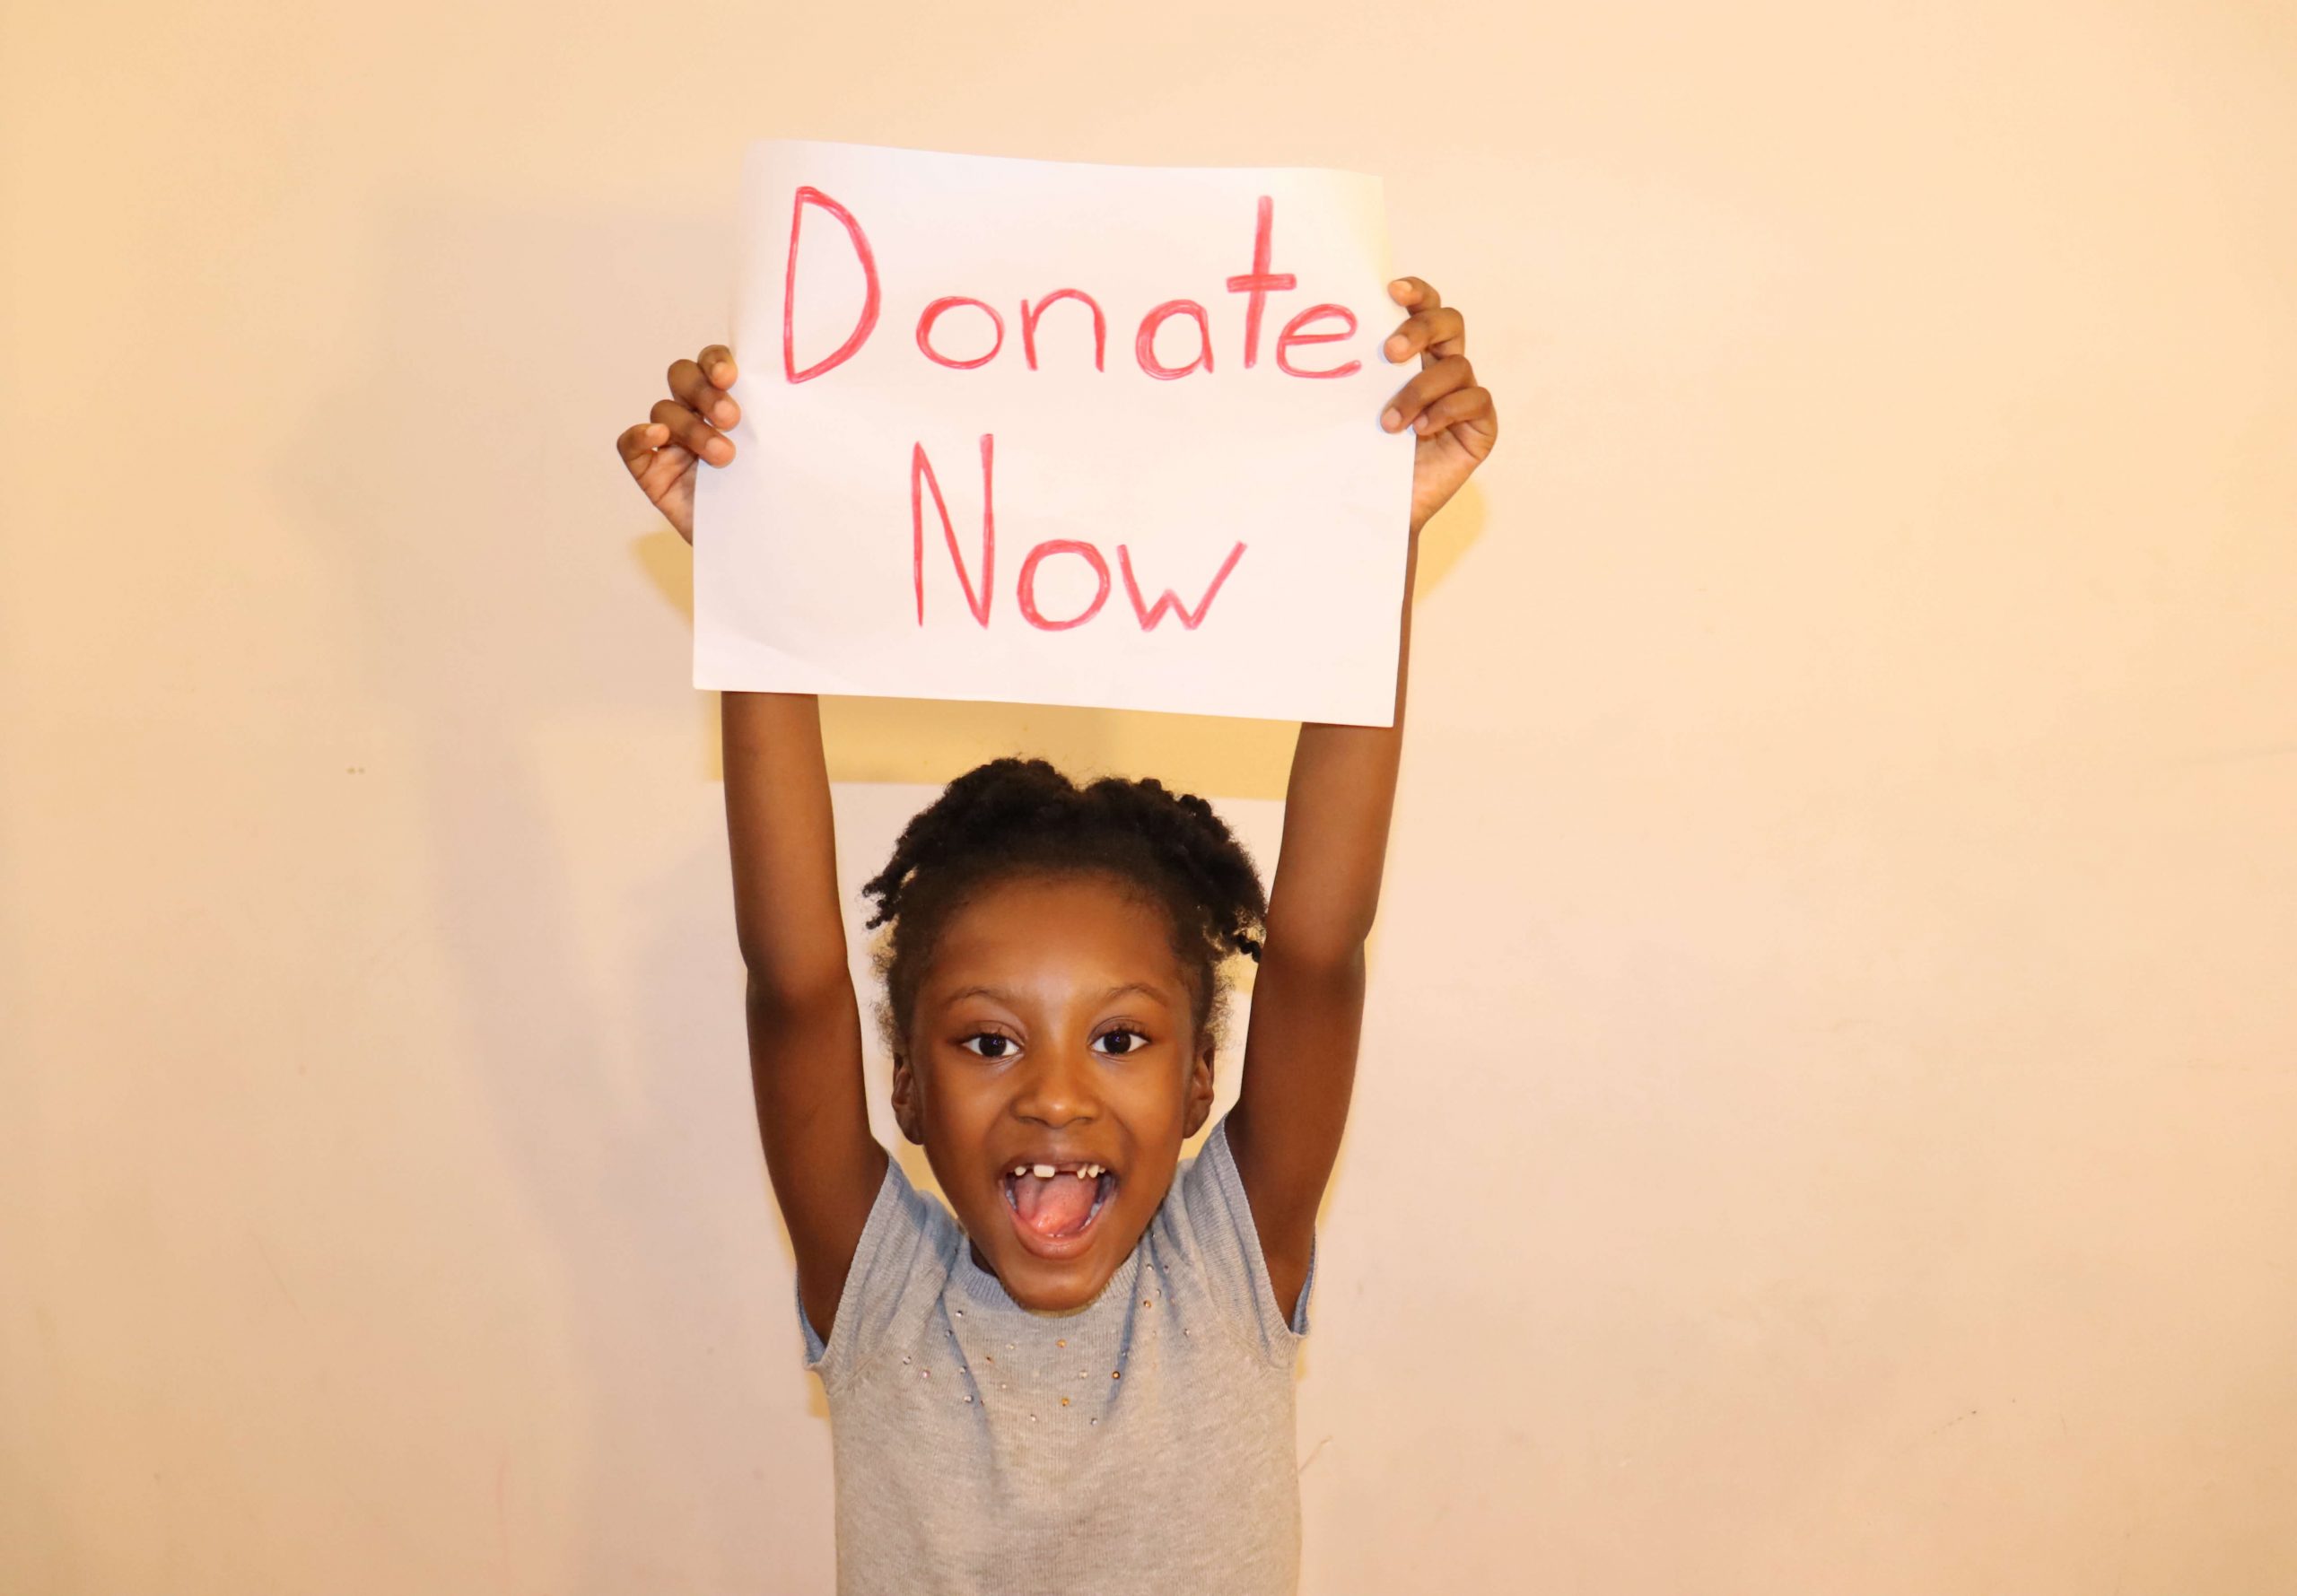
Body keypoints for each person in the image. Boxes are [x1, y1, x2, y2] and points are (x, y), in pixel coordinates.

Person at [614, 276, 1496, 1594]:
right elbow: (792, 984)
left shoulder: (1229, 1265)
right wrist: (751, 585)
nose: (1057, 1096)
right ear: (902, 1083)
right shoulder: (881, 1295)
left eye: (1123, 1037)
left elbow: (1317, 947)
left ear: (1204, 1076)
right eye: (985, 1041)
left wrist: (1375, 542)